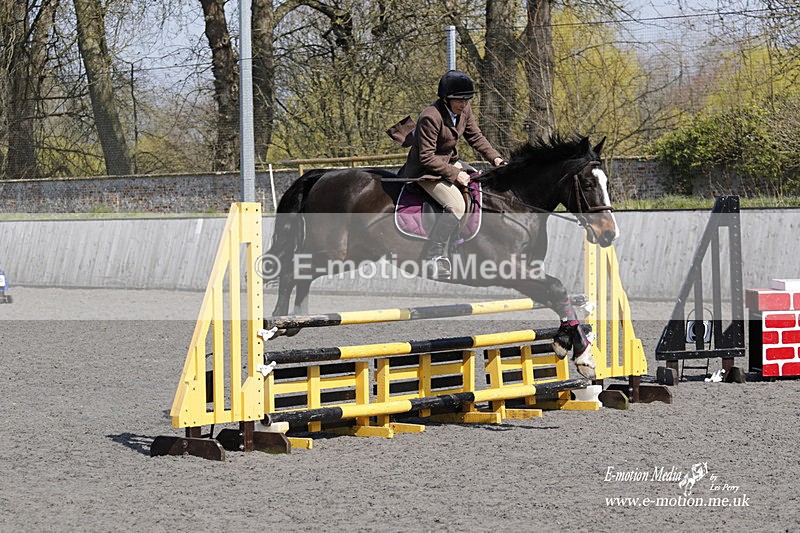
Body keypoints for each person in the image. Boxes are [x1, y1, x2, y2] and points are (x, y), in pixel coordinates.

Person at [399, 70, 505, 279]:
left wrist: (496, 158)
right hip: (425, 170)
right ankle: (433, 256)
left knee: (478, 188)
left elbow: (476, 137)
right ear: (446, 98)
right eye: (459, 100)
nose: (464, 104)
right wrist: (455, 174)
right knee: (456, 205)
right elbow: (426, 158)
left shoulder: (464, 110)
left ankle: (460, 244)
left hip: (448, 161)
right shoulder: (431, 116)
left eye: (467, 99)